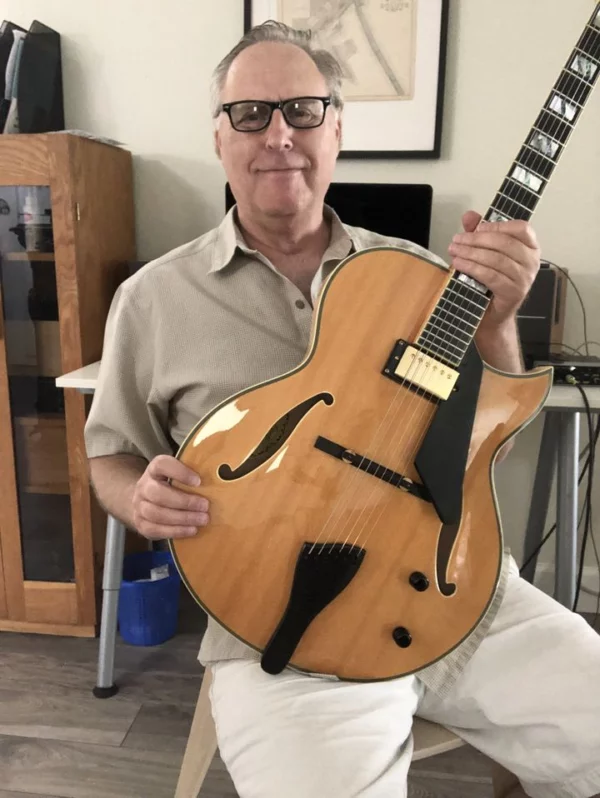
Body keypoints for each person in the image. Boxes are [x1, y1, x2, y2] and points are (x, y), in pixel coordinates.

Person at [85, 21, 600, 798]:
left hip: (458, 589)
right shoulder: (152, 299)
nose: (278, 135)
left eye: (302, 110)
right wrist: (139, 496)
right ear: (220, 138)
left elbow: (491, 422)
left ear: (336, 129)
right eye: (251, 114)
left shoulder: (420, 273)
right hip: (288, 622)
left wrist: (498, 322)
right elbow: (110, 454)